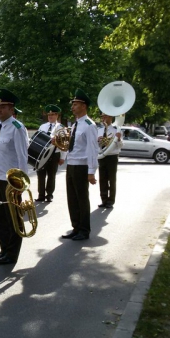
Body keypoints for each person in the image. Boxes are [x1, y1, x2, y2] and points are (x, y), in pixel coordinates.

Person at [0, 89, 29, 265]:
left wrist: (20, 184)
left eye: (3, 107)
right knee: (0, 219)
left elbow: (22, 157)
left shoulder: (17, 129)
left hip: (10, 181)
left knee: (13, 218)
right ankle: (3, 249)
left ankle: (12, 254)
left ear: (12, 109)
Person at [62, 89, 98, 241]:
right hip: (72, 164)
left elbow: (92, 149)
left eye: (75, 104)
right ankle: (76, 227)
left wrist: (91, 171)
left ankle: (84, 230)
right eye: (73, 104)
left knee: (82, 199)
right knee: (72, 198)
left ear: (84, 106)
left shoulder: (89, 125)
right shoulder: (76, 124)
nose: (72, 107)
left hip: (82, 166)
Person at [36, 104, 66, 203]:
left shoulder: (61, 127)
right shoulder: (42, 126)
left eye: (52, 115)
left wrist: (62, 157)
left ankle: (49, 195)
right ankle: (41, 194)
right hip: (42, 153)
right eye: (49, 115)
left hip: (54, 154)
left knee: (51, 175)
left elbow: (64, 144)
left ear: (57, 116)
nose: (50, 117)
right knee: (40, 175)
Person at [97, 112, 122, 208]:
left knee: (112, 179)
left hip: (112, 156)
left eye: (105, 116)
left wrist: (119, 139)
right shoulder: (99, 130)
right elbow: (95, 145)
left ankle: (111, 201)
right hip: (102, 156)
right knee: (102, 179)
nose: (103, 118)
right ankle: (104, 200)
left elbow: (120, 146)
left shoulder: (116, 129)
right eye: (102, 116)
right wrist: (98, 140)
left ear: (110, 117)